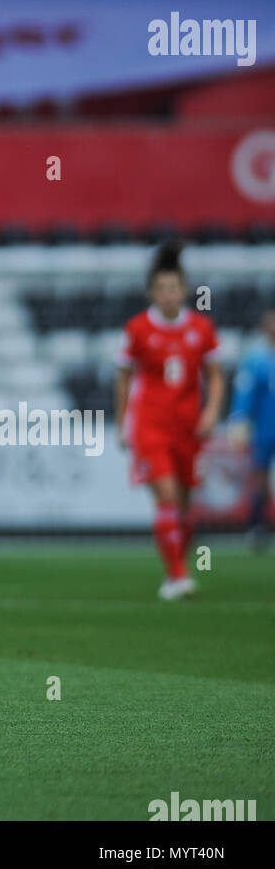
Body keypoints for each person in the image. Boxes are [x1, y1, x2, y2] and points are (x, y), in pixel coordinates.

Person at [114, 241, 223, 600]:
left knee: (187, 505)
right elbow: (124, 377)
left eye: (173, 287)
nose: (167, 294)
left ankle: (178, 567)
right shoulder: (138, 329)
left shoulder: (202, 328)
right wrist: (121, 423)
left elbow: (216, 376)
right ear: (151, 292)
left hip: (188, 428)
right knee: (167, 495)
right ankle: (177, 575)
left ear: (185, 289)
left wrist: (211, 412)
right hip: (151, 426)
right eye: (160, 288)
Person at [227, 308, 275, 549]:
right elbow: (244, 394)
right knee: (260, 477)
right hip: (266, 429)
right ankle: (257, 525)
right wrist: (239, 421)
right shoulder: (256, 360)